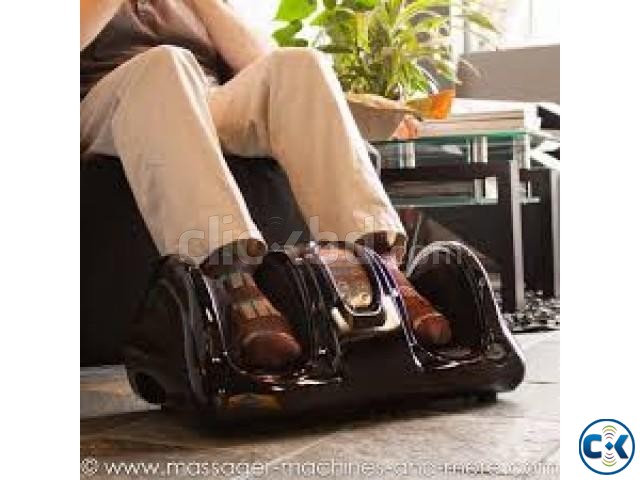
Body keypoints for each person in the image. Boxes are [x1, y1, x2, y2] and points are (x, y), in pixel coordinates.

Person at [80, 0, 451, 371]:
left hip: (204, 99)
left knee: (299, 65)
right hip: (111, 101)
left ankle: (377, 264)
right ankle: (228, 281)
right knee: (166, 63)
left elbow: (259, 61)